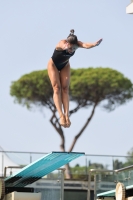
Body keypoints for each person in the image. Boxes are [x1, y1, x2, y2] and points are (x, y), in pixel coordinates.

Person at [47, 29, 102, 128]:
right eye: (70, 47)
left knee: (65, 88)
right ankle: (61, 116)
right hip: (53, 65)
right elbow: (61, 46)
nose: (71, 50)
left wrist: (94, 44)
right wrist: (65, 47)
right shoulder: (62, 43)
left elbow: (85, 45)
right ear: (67, 43)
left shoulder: (77, 44)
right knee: (57, 88)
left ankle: (67, 115)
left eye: (73, 48)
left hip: (65, 65)